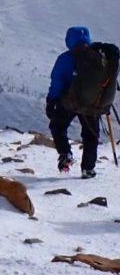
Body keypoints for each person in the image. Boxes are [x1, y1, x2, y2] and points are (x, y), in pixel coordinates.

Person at [46, 26, 101, 178]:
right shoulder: (98, 57)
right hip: (92, 103)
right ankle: (88, 169)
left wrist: (51, 100)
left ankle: (65, 154)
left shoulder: (65, 59)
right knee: (91, 135)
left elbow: (57, 82)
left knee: (58, 127)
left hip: (69, 102)